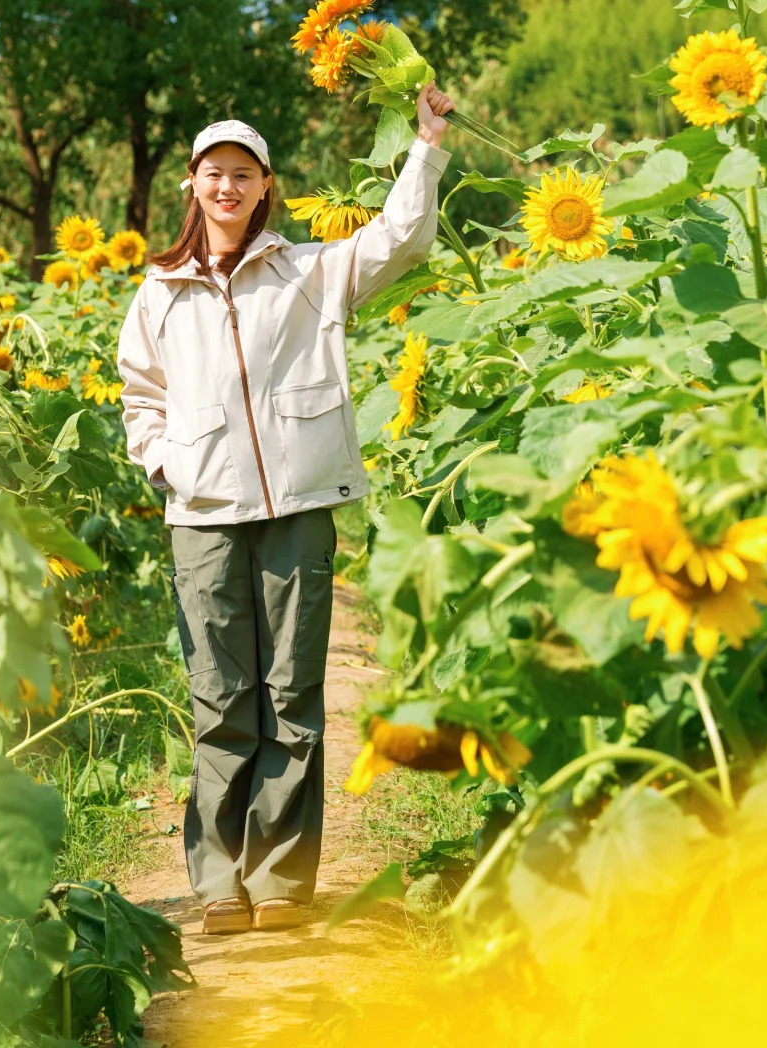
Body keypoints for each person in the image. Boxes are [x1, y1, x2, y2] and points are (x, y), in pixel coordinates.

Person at [116, 82, 455, 935]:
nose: (227, 187)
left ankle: (277, 879)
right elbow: (139, 397)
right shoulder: (159, 291)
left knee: (291, 692)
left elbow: (402, 239)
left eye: (243, 174)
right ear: (192, 186)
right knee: (220, 694)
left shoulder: (310, 271)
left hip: (299, 501)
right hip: (201, 513)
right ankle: (217, 880)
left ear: (266, 186)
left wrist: (426, 142)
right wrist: (167, 463)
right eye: (212, 174)